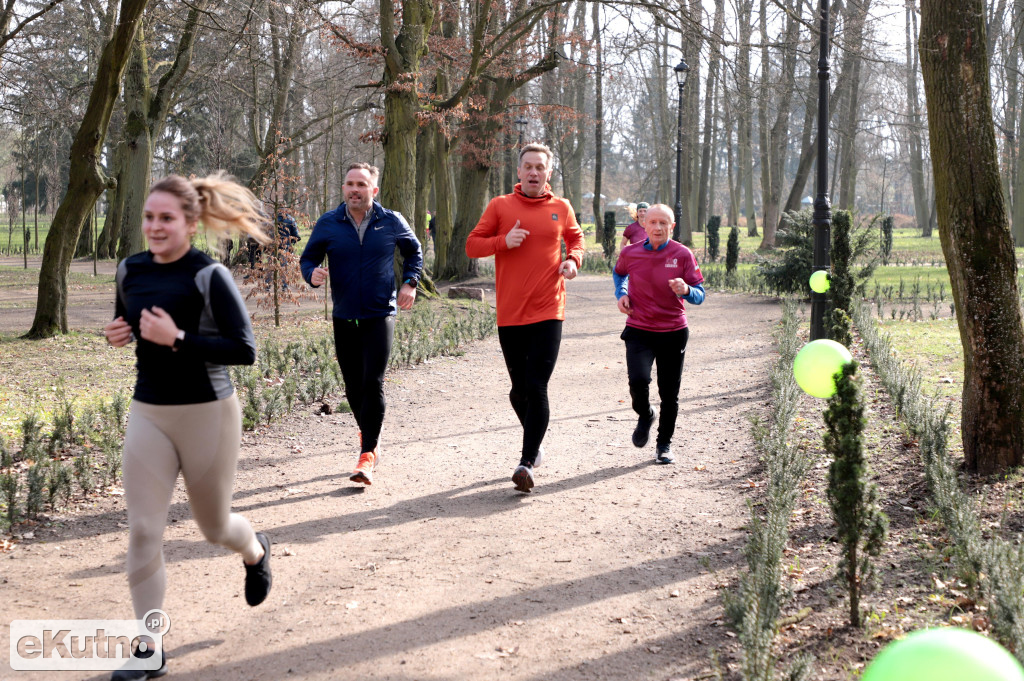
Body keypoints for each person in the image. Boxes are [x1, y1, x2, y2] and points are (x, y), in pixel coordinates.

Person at [103, 173, 273, 681]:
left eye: (166, 219)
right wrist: (119, 332)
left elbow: (244, 351)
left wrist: (177, 338)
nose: (154, 227)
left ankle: (256, 549)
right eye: (149, 218)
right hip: (149, 411)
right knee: (142, 530)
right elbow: (129, 325)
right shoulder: (128, 270)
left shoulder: (209, 275)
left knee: (214, 528)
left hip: (208, 412)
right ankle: (149, 646)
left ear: (191, 223)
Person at [466, 143, 585, 493]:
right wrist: (504, 240)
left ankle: (526, 461)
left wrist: (573, 261)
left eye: (540, 167)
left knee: (536, 385)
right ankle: (537, 441)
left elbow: (576, 239)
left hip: (549, 308)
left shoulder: (561, 207)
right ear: (518, 172)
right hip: (511, 312)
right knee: (518, 392)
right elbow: (473, 245)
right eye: (528, 167)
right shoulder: (500, 206)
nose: (534, 172)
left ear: (549, 172)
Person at [300, 163, 423, 486]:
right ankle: (370, 432)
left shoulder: (391, 220)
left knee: (373, 382)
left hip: (380, 312)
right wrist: (311, 274)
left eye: (361, 185)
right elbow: (308, 258)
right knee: (353, 386)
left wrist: (410, 282)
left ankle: (367, 453)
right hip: (344, 314)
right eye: (350, 184)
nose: (355, 189)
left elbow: (414, 252)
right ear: (344, 188)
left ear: (373, 190)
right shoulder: (329, 223)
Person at [612, 203, 706, 464]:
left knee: (669, 394)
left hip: (673, 331)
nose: (657, 227)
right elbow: (619, 274)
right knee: (638, 382)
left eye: (663, 223)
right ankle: (645, 413)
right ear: (644, 224)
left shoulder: (683, 254)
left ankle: (664, 445)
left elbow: (700, 294)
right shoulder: (630, 253)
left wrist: (686, 289)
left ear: (672, 227)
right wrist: (621, 294)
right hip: (639, 329)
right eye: (653, 222)